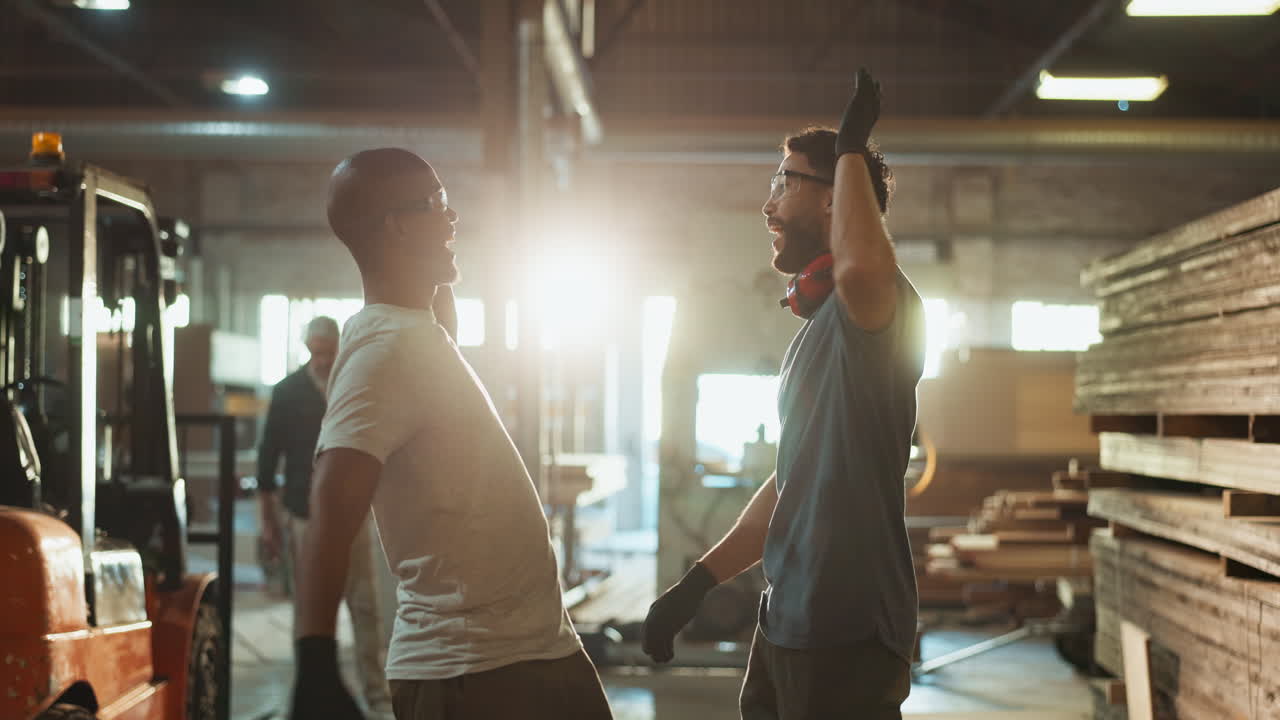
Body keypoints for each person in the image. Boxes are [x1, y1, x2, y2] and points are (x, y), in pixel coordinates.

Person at [641, 68, 927, 720]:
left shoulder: (874, 313)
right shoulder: (818, 332)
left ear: (833, 199)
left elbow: (858, 264)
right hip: (787, 622)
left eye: (784, 183)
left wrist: (851, 147)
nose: (768, 205)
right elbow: (790, 483)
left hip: (845, 628)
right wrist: (696, 585)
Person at [289, 148, 613, 720]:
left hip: (535, 652)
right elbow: (331, 508)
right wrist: (315, 662)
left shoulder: (421, 336)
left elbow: (440, 314)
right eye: (438, 204)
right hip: (475, 674)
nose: (453, 217)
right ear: (398, 226)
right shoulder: (383, 353)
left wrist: (432, 264)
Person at [258, 316, 393, 717]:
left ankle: (377, 696)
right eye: (315, 352)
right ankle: (310, 694)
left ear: (339, 350)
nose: (321, 360)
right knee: (309, 613)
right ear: (307, 349)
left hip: (354, 517)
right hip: (306, 518)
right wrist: (268, 522)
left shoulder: (354, 388)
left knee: (365, 607)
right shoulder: (288, 393)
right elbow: (268, 459)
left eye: (328, 353)